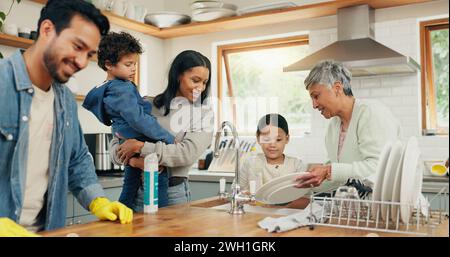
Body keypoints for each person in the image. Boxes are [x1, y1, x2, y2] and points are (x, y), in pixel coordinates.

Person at [0, 0, 132, 236]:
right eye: (77, 46)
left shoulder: (65, 101)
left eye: (89, 54)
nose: (82, 62)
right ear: (47, 30)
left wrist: (98, 200)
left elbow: (76, 159)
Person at [109, 50, 214, 212]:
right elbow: (117, 143)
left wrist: (141, 147)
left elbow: (186, 153)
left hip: (173, 195)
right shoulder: (147, 104)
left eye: (205, 82)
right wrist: (134, 161)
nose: (200, 87)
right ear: (178, 75)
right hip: (135, 191)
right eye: (195, 80)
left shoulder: (203, 114)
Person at [82, 31, 175, 209]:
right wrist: (166, 138)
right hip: (140, 137)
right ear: (109, 65)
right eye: (128, 64)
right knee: (159, 176)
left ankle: (122, 212)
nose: (133, 68)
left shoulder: (107, 88)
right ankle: (163, 216)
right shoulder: (121, 89)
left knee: (130, 184)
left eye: (135, 64)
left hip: (126, 138)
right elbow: (138, 119)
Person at [295, 60, 402, 191]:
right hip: (355, 208)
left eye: (316, 96)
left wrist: (328, 170)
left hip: (387, 207)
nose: (314, 105)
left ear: (337, 88)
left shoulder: (370, 112)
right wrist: (309, 183)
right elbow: (337, 175)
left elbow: (379, 167)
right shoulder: (333, 127)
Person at [239, 114, 305, 193]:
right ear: (258, 138)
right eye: (266, 139)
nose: (272, 145)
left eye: (278, 139)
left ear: (287, 139)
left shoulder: (296, 165)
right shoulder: (250, 163)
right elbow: (240, 193)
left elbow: (305, 199)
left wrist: (274, 205)